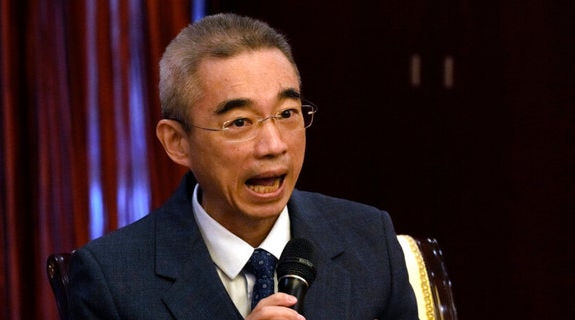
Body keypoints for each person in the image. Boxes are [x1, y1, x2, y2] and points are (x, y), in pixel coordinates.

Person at [67, 13, 417, 320]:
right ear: (177, 141)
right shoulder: (112, 278)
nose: (273, 146)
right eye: (239, 122)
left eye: (286, 114)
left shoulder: (369, 238)